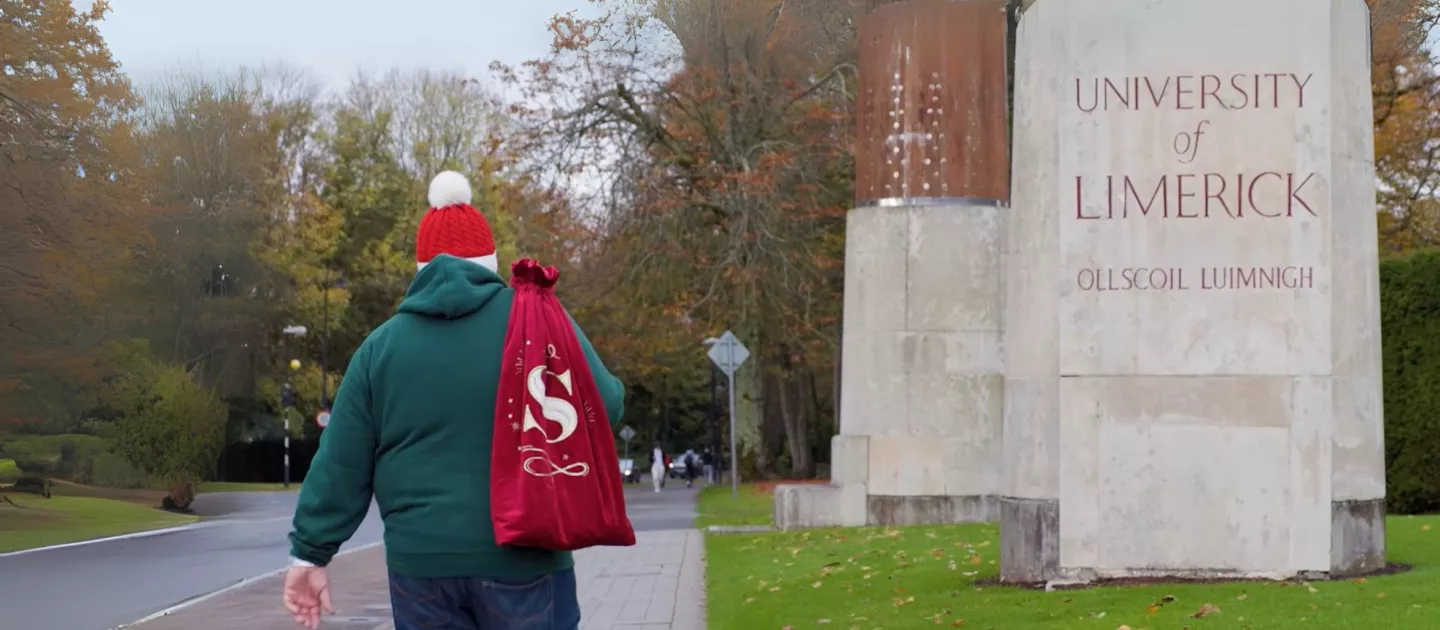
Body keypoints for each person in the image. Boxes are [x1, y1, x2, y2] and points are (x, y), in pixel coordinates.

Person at [282, 172, 626, 630]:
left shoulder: (380, 349)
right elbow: (606, 404)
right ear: (490, 262)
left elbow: (341, 463)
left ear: (419, 267)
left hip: (422, 563)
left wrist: (310, 553)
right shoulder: (536, 324)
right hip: (526, 550)